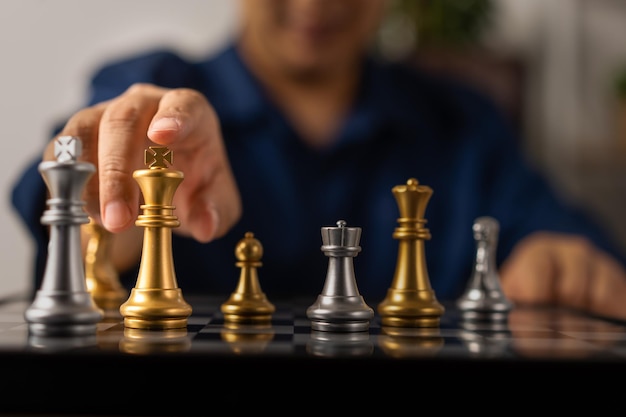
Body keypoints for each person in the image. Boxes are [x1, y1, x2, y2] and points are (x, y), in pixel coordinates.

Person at [11, 0, 626, 320]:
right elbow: (62, 185)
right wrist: (100, 210)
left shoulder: (462, 124)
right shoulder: (150, 86)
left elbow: (570, 242)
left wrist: (558, 263)